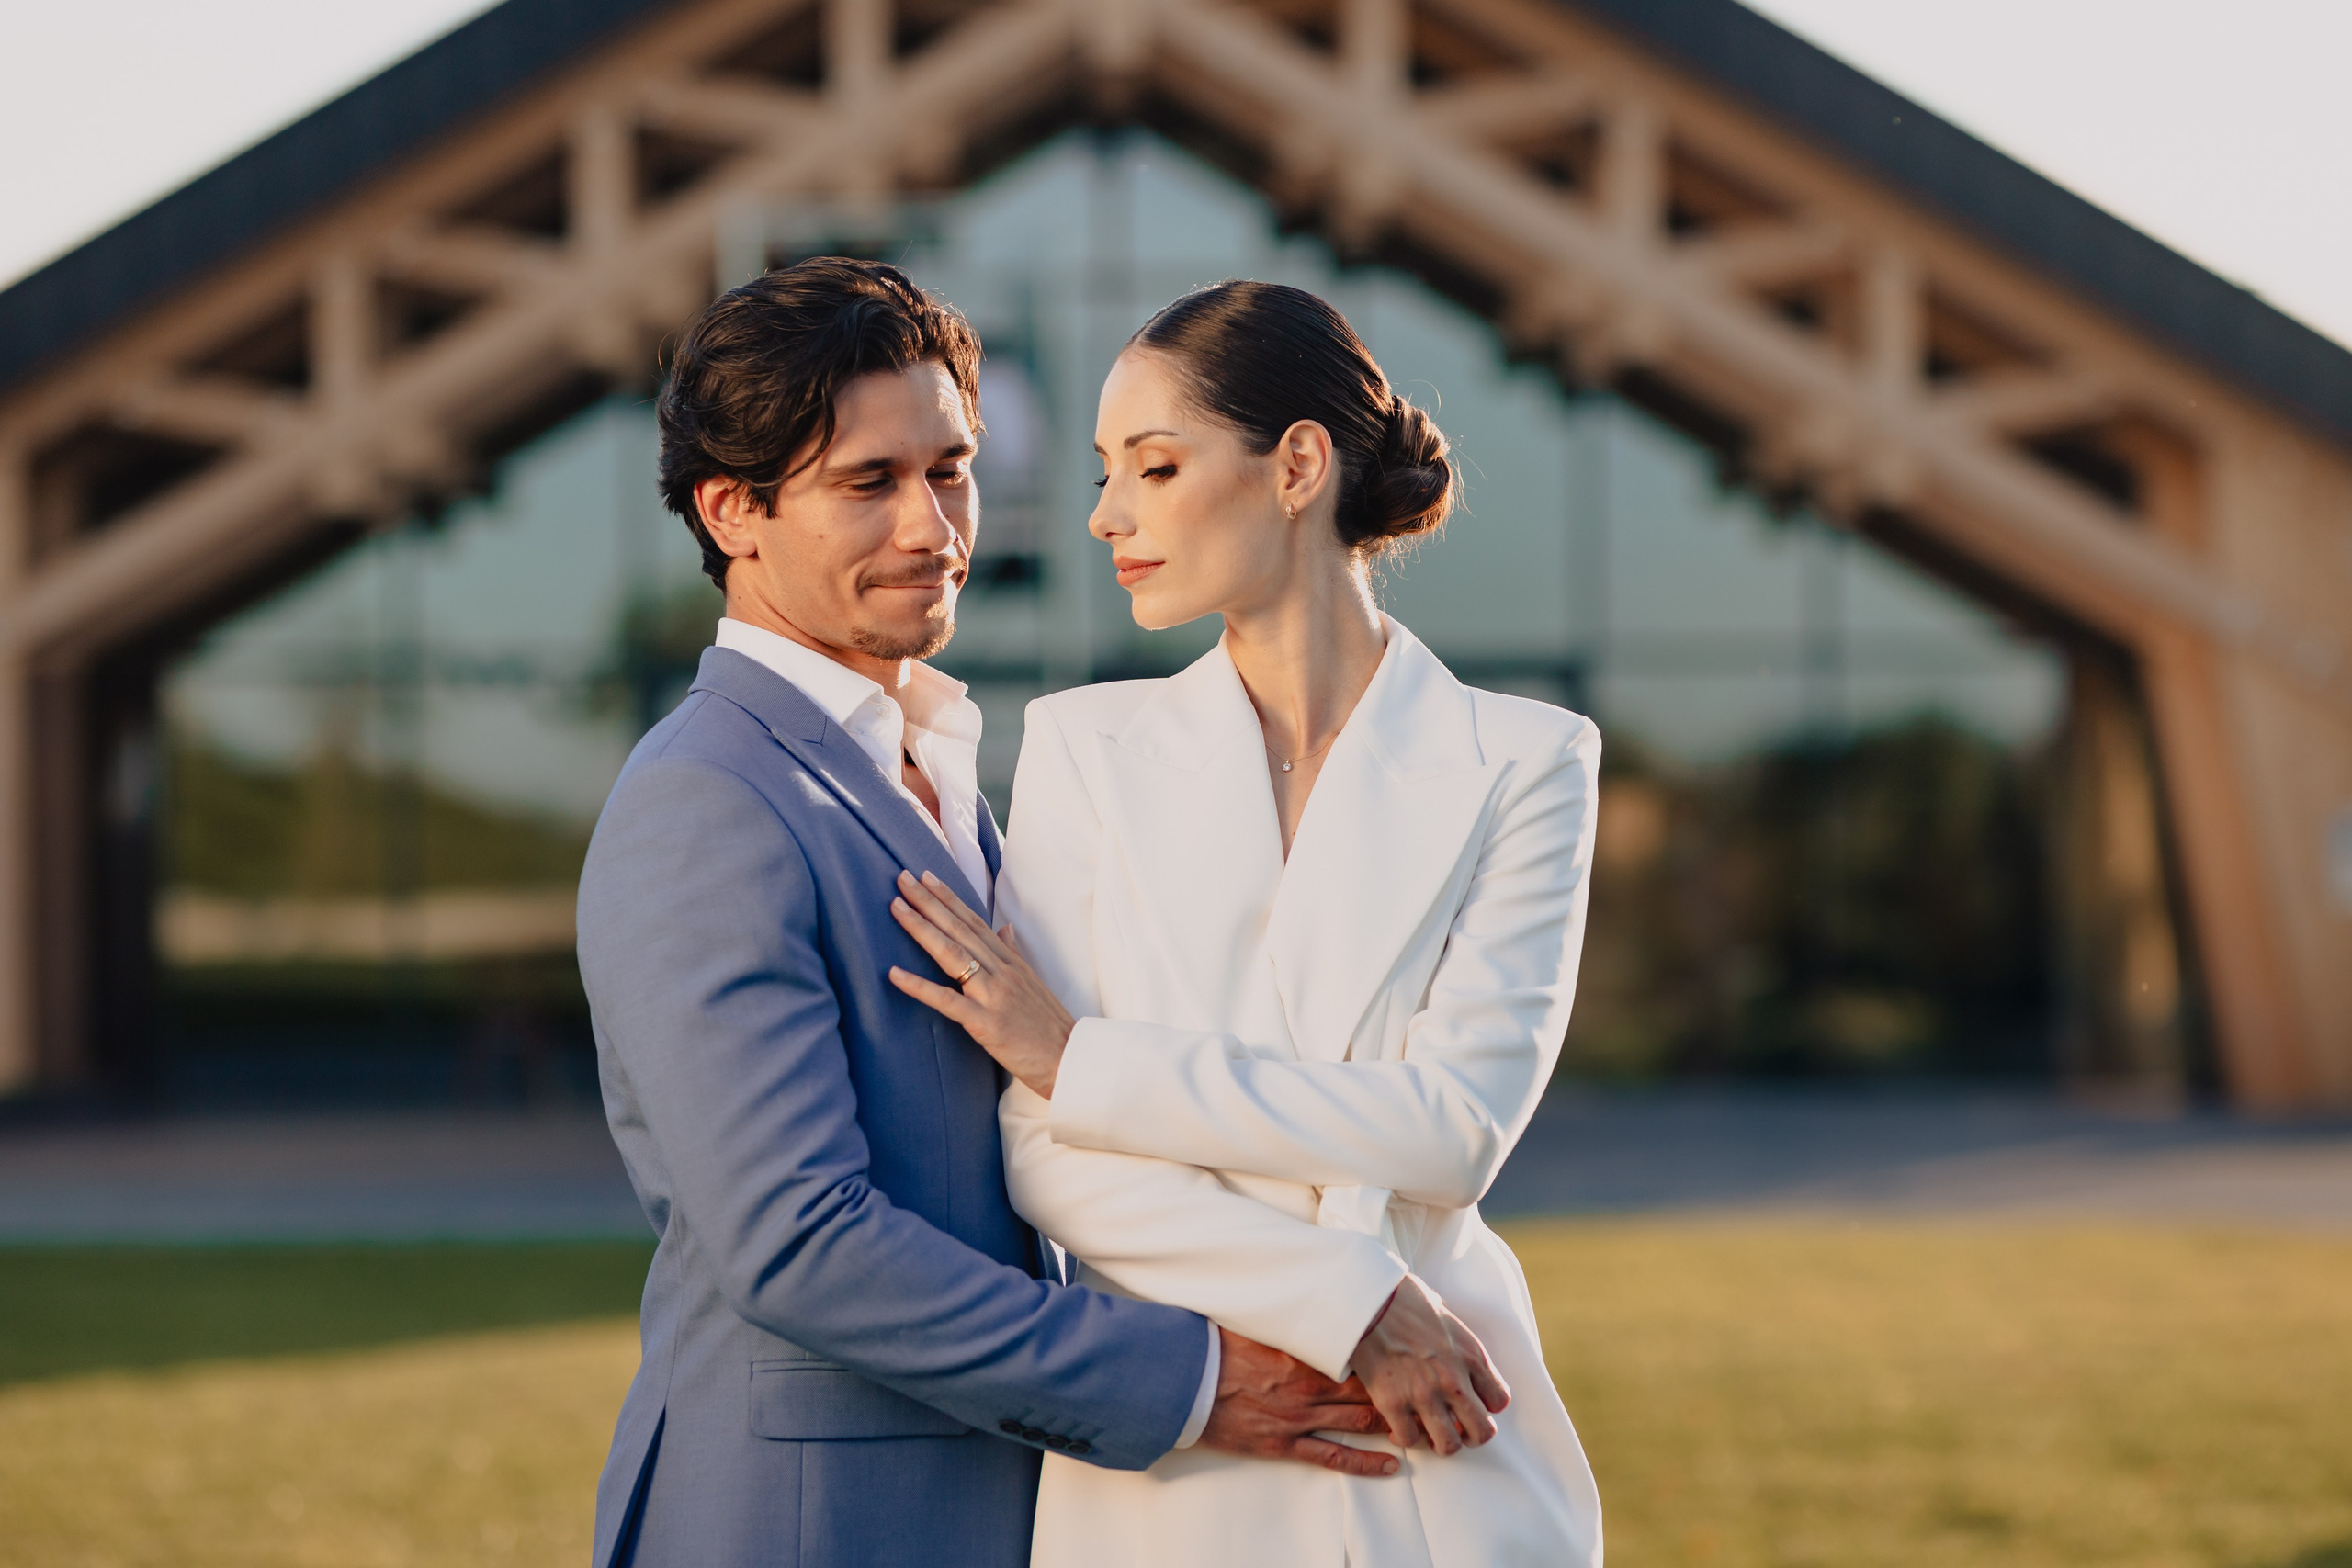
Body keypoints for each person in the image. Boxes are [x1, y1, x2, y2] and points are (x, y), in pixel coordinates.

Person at [575, 259, 1501, 1568]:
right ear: (734, 512)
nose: (935, 529)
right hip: (803, 1523)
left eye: (949, 469)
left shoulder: (941, 764)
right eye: (869, 484)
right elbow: (797, 1241)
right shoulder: (705, 802)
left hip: (989, 1503)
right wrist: (1190, 1375)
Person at [886, 279, 1606, 1567]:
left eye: (1153, 467)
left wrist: (1091, 1065)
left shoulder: (1528, 761)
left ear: (1299, 466)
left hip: (1451, 1465)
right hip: (1187, 1475)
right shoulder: (1082, 749)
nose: (1108, 514)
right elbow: (1050, 1154)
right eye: (1107, 472)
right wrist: (1350, 1299)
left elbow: (1453, 1136)